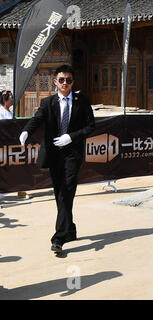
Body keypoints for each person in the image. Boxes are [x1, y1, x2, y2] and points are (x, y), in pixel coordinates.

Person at [19, 64, 95, 254]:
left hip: (73, 154)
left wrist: (72, 136)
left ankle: (58, 238)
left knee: (66, 190)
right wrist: (26, 131)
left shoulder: (82, 101)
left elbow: (91, 126)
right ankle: (70, 228)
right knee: (59, 192)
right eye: (61, 80)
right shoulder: (48, 103)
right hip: (54, 154)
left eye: (68, 80)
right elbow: (37, 119)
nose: (65, 83)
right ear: (55, 82)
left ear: (73, 82)